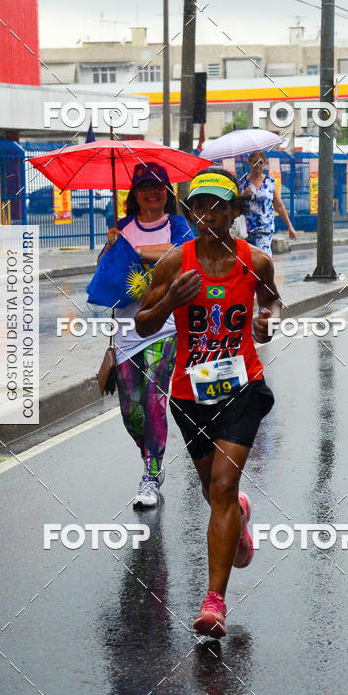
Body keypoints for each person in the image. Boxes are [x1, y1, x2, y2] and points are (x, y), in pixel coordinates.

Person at [135, 167, 282, 638]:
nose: (206, 214)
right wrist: (166, 303)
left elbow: (274, 301)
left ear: (236, 212)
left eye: (218, 206)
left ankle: (214, 602)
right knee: (213, 492)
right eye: (198, 206)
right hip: (189, 393)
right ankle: (238, 515)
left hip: (242, 386)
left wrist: (266, 319)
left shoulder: (255, 261)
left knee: (219, 489)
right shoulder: (175, 263)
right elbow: (141, 323)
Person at [99, 162, 192, 509]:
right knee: (130, 412)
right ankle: (151, 454)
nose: (152, 193)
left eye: (158, 187)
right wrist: (110, 250)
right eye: (144, 187)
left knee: (153, 401)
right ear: (134, 194)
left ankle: (151, 473)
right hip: (126, 329)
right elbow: (105, 280)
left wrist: (134, 251)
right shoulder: (121, 228)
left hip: (165, 326)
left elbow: (183, 256)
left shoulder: (178, 225)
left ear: (167, 193)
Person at [238, 150, 296, 255]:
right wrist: (243, 196)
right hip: (246, 231)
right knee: (248, 262)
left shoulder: (270, 183)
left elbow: (279, 206)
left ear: (264, 164)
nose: (258, 165)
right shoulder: (242, 184)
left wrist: (289, 226)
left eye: (261, 162)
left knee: (263, 259)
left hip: (265, 229)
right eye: (255, 162)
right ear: (249, 163)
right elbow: (235, 205)